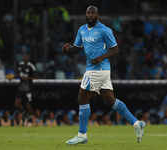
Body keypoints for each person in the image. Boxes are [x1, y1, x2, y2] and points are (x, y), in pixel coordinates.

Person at [62, 6, 146, 145]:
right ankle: (137, 123)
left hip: (97, 69)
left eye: (92, 13)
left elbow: (115, 49)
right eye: (88, 13)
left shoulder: (105, 30)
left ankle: (82, 135)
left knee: (82, 99)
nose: (90, 15)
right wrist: (68, 49)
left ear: (97, 15)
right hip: (99, 70)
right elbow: (77, 49)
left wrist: (102, 57)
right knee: (109, 100)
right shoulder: (82, 29)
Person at [9, 53, 38, 124]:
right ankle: (25, 114)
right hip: (21, 87)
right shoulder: (20, 64)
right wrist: (14, 77)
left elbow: (36, 76)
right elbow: (19, 73)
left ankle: (30, 120)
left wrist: (27, 78)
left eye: (27, 56)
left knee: (27, 104)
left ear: (29, 58)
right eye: (24, 56)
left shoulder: (31, 66)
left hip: (28, 88)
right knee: (17, 104)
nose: (25, 57)